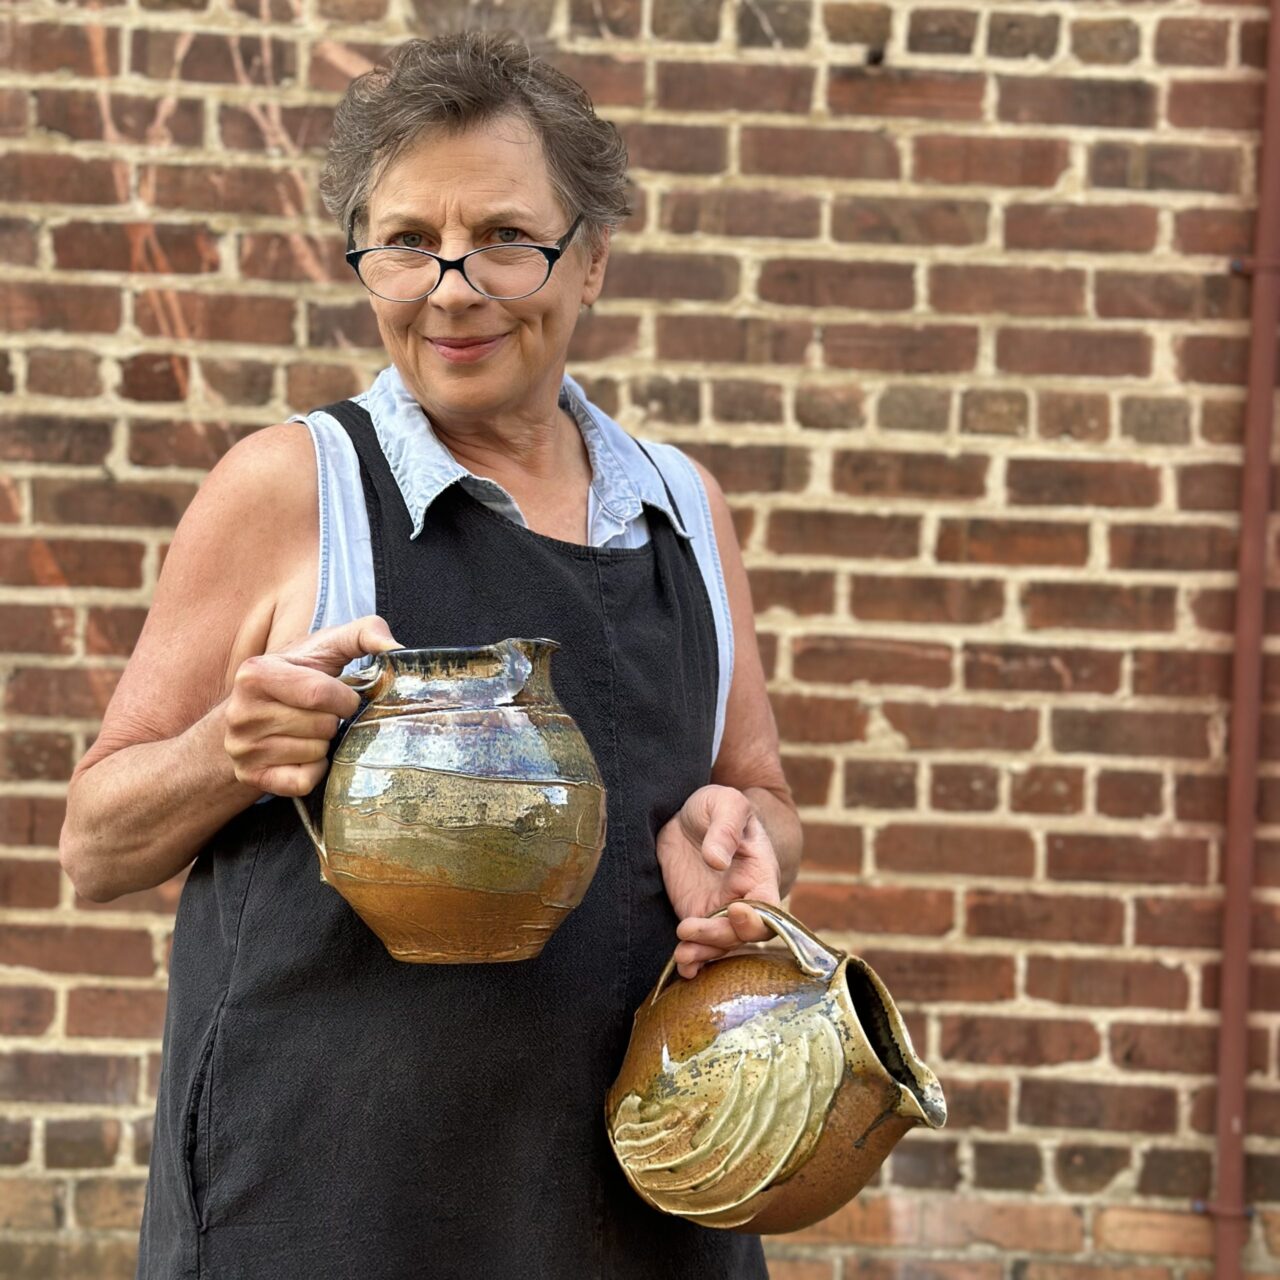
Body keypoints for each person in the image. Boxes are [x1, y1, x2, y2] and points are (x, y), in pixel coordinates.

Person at [59, 29, 802, 1280]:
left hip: (634, 1211)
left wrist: (738, 840)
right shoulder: (292, 487)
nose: (451, 287)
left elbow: (761, 790)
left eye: (504, 237)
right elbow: (95, 840)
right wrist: (224, 751)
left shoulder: (681, 507)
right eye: (406, 241)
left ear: (591, 259)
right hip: (324, 1206)